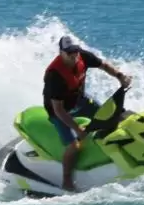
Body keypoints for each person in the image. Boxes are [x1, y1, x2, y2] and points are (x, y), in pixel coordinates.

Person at [43, 35, 131, 191]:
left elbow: (103, 65)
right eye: (69, 52)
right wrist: (77, 128)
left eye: (75, 51)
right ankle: (67, 180)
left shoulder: (82, 55)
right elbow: (58, 109)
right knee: (74, 146)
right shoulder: (54, 75)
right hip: (59, 111)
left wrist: (120, 76)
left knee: (112, 119)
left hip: (80, 101)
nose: (73, 55)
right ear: (61, 52)